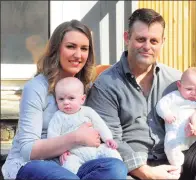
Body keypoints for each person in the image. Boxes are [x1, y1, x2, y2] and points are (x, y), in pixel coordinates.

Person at [85, 8, 196, 180]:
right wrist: (146, 172)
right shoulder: (105, 85)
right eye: (141, 39)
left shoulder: (177, 80)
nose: (147, 47)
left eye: (154, 41)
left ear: (163, 42)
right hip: (132, 170)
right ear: (127, 38)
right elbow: (109, 140)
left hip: (177, 160)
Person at [1, 19, 127, 180]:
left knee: (115, 168)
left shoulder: (85, 87)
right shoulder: (36, 88)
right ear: (56, 49)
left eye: (84, 48)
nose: (78, 55)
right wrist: (75, 138)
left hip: (73, 162)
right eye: (70, 46)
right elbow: (28, 150)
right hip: (35, 164)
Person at [47, 77, 122, 174]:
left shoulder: (88, 111)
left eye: (71, 98)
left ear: (82, 99)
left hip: (96, 149)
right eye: (61, 99)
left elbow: (100, 125)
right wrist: (60, 152)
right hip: (74, 154)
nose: (66, 102)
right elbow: (53, 136)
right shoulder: (58, 116)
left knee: (111, 152)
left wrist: (108, 139)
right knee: (68, 165)